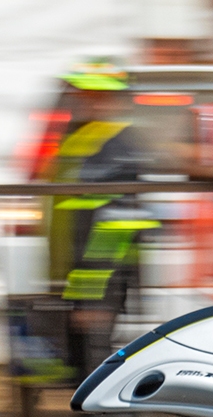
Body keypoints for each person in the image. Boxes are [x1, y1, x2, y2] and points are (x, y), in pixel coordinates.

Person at [40, 59, 154, 378]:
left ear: (109, 99)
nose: (81, 100)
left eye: (92, 95)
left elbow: (121, 220)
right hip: (72, 270)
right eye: (80, 93)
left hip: (99, 275)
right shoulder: (79, 136)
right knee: (78, 355)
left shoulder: (119, 142)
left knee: (95, 353)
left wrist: (97, 286)